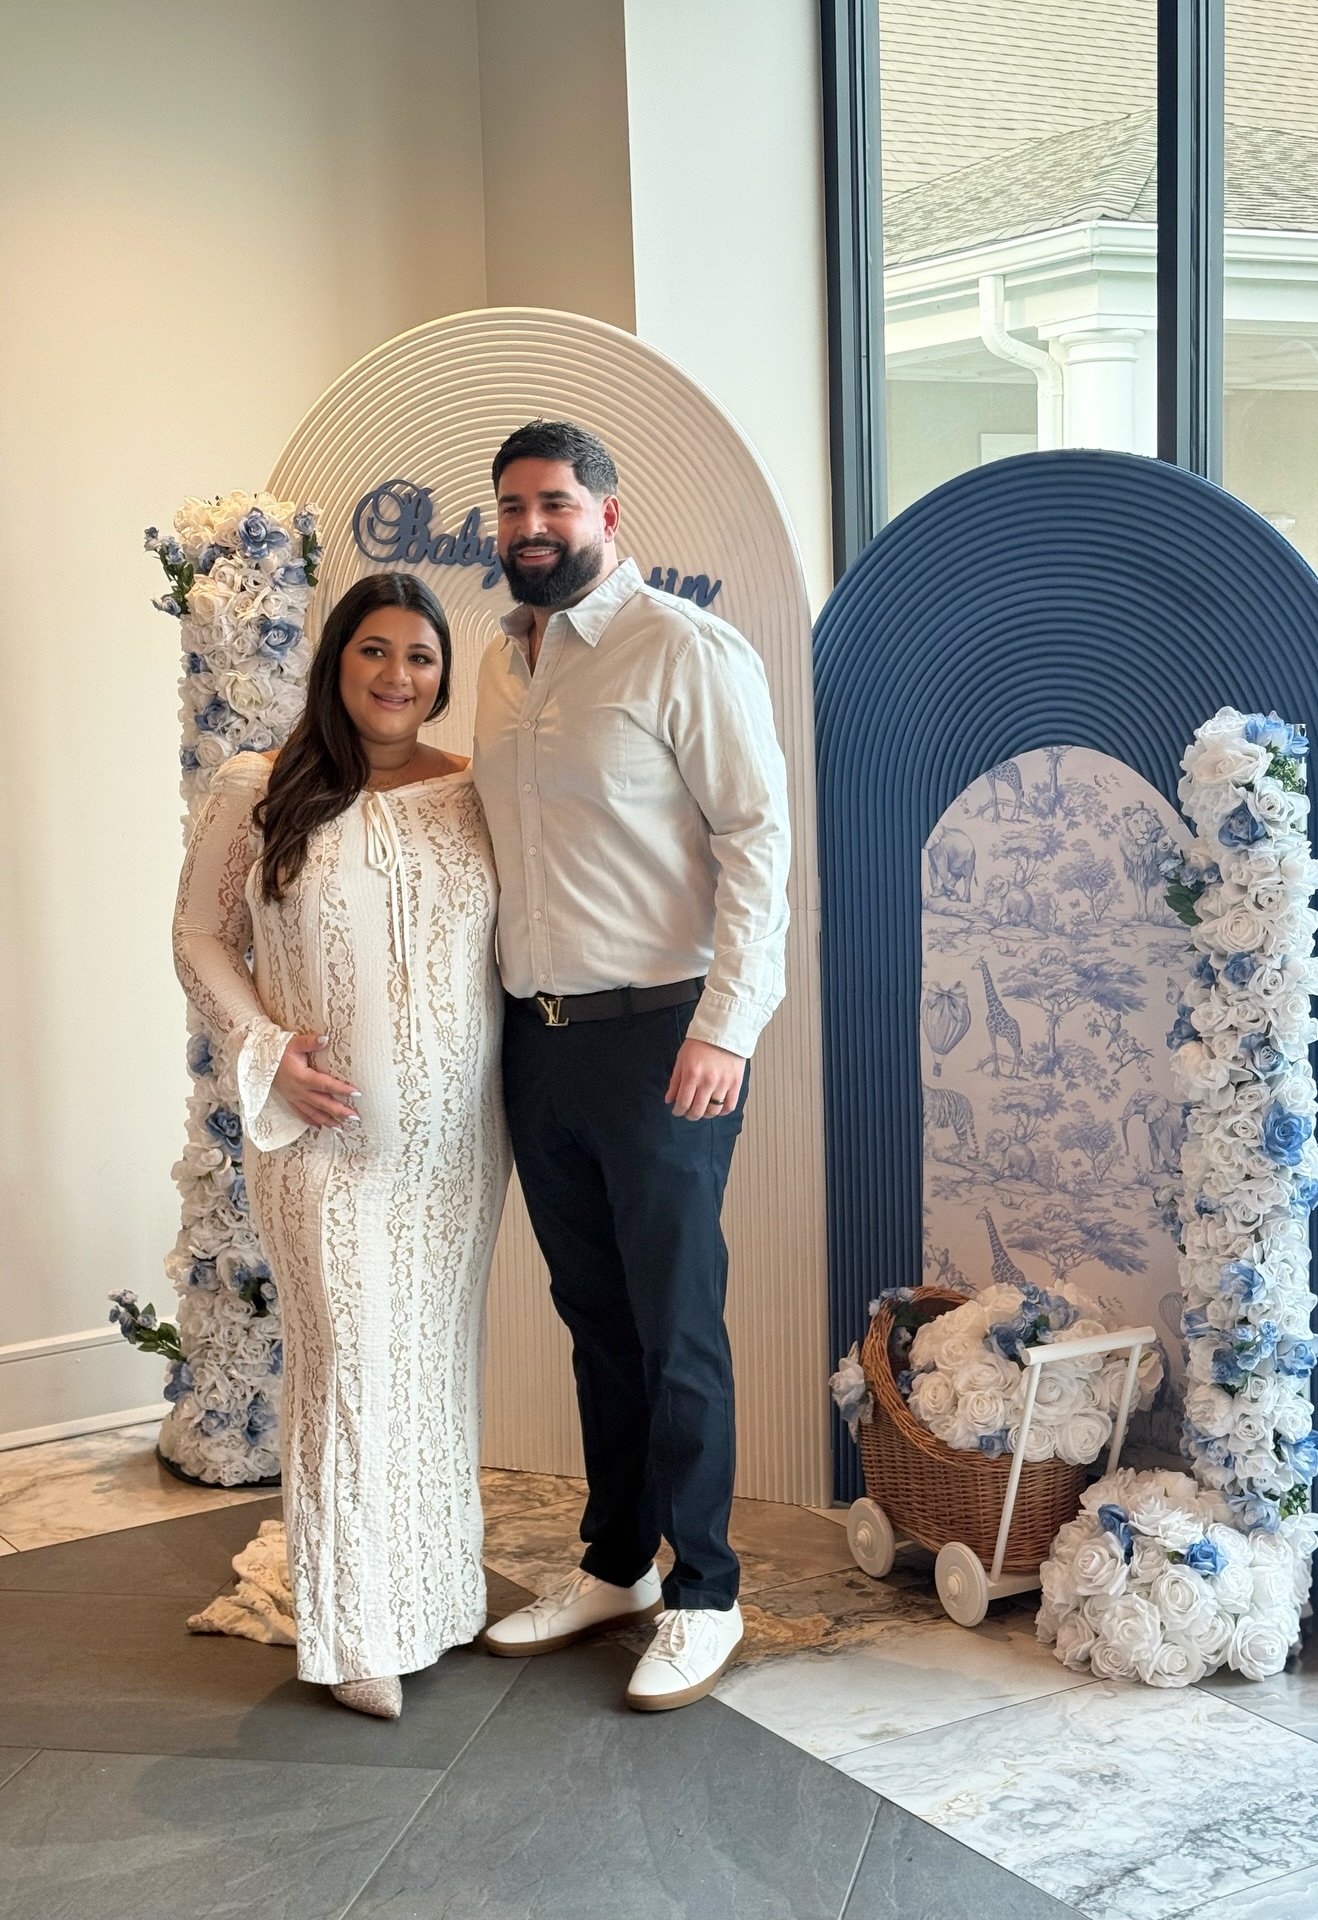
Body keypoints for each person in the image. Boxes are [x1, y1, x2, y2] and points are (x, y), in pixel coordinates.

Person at [473, 418, 791, 1710]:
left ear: (609, 510)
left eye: (554, 503)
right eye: (510, 508)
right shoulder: (501, 663)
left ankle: (705, 1587)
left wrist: (728, 1027)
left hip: (666, 1041)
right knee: (594, 1321)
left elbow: (760, 847)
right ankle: (617, 1565)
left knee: (675, 1327)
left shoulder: (685, 649)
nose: (530, 527)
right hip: (536, 1046)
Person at [173, 572, 507, 1720]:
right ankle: (356, 1628)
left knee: (429, 1367)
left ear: (443, 678)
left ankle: (434, 1598)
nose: (397, 677)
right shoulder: (260, 790)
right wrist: (264, 1046)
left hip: (458, 1149)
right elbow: (198, 936)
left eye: (421, 657)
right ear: (336, 661)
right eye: (375, 651)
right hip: (320, 1144)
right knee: (351, 1364)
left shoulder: (476, 792)